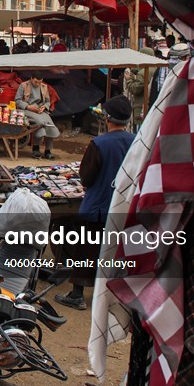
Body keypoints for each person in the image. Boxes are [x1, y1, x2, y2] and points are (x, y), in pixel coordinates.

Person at [55, 96, 135, 311]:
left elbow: (87, 176)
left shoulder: (99, 144)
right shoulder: (136, 141)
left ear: (108, 119)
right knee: (115, 251)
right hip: (123, 206)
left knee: (85, 250)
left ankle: (77, 295)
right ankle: (113, 295)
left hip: (97, 206)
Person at [15, 73, 60, 159]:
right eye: (36, 82)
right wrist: (28, 106)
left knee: (49, 123)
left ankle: (48, 150)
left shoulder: (44, 87)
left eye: (40, 82)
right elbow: (17, 100)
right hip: (27, 110)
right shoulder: (23, 85)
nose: (38, 84)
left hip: (40, 111)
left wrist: (44, 107)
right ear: (31, 79)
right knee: (40, 122)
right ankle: (36, 148)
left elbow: (47, 102)